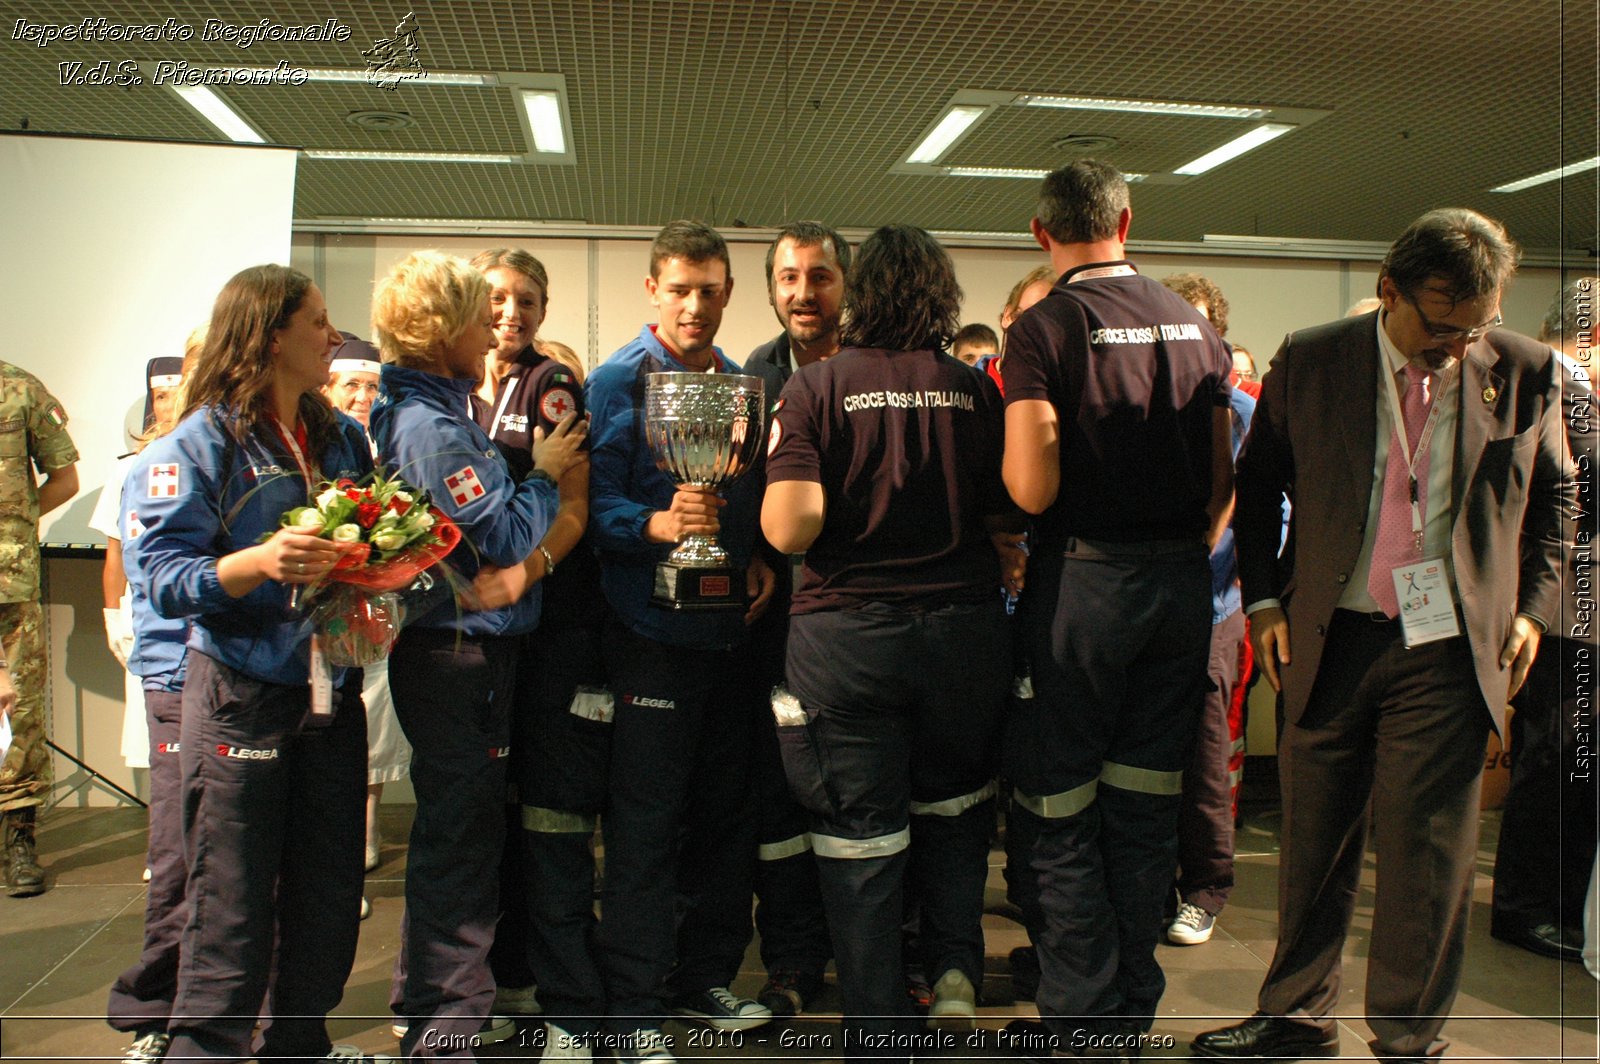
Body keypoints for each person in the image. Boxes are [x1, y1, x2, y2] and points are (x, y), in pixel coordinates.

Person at [1192, 208, 1573, 1062]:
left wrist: (1530, 609)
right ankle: (1295, 1015)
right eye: (1441, 325)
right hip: (1331, 637)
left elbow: (1558, 501)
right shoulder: (1316, 357)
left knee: (1428, 856)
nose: (1456, 345)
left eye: (1476, 326)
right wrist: (1263, 604)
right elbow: (1258, 491)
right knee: (1314, 843)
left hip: (1447, 648)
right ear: (1387, 291)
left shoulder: (1523, 370)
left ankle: (1409, 1037)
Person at [762, 224, 1018, 1052]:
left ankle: (876, 1019)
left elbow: (793, 528)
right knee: (953, 809)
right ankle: (953, 977)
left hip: (851, 645)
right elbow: (1006, 515)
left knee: (858, 832)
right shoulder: (977, 391)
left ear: (862, 294)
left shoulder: (816, 389)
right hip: (963, 638)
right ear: (942, 299)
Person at [1001, 160, 1234, 1060]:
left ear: (1041, 233)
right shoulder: (1196, 326)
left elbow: (1030, 487)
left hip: (1084, 590)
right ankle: (1131, 1005)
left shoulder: (1045, 327)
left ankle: (1078, 1006)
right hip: (1180, 587)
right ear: (1127, 220)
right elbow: (1224, 483)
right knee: (1146, 802)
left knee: (1059, 803)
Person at [124, 264, 383, 1061]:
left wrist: (374, 564)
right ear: (272, 336)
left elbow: (367, 536)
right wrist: (261, 561)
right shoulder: (197, 443)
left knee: (328, 897)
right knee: (230, 904)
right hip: (240, 692)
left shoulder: (342, 436)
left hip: (330, 691)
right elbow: (162, 580)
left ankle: (299, 1046)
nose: (332, 338)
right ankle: (204, 1048)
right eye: (317, 323)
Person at [370, 250, 584, 1060]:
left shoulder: (437, 414)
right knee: (458, 843)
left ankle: (436, 1002)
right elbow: (497, 539)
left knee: (461, 834)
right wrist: (545, 475)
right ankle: (442, 1024)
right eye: (475, 311)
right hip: (460, 655)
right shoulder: (431, 428)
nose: (491, 324)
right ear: (440, 330)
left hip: (465, 655)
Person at [586, 220, 775, 1061]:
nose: (695, 305)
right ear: (653, 291)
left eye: (710, 290)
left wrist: (760, 557)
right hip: (648, 635)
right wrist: (655, 522)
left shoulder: (741, 384)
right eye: (680, 289)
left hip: (730, 632)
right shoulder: (616, 382)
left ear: (729, 293)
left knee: (726, 819)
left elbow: (753, 493)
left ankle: (705, 976)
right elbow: (589, 508)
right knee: (645, 825)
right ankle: (633, 1003)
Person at [464, 246, 609, 1052]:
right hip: (467, 641)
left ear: (544, 310)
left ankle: (568, 1010)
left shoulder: (552, 388)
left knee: (553, 819)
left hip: (549, 631)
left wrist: (528, 572)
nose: (512, 312)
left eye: (527, 300)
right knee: (485, 822)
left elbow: (575, 504)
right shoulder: (446, 390)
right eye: (497, 297)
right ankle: (496, 983)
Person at [741, 220, 850, 1018]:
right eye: (787, 278)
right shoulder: (756, 371)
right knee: (780, 795)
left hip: (858, 619)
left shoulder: (872, 366)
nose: (802, 294)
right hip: (777, 619)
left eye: (818, 276)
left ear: (847, 284)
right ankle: (791, 964)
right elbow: (748, 483)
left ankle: (883, 955)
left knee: (863, 792)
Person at [1489, 277, 1597, 963]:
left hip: (1568, 605)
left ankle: (1551, 899)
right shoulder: (1555, 385)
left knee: (1570, 761)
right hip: (1560, 608)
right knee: (1556, 761)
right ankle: (1527, 907)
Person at [98, 341, 199, 1063]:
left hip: (251, 684)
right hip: (176, 681)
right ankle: (154, 1013)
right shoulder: (152, 469)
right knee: (177, 856)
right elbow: (150, 578)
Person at [1158, 273, 1256, 948]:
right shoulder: (1142, 405)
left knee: (1204, 750)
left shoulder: (1244, 413)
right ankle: (1147, 885)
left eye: (1198, 328)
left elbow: (1269, 513)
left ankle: (1204, 889)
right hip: (1146, 602)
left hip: (1215, 603)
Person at [322, 335, 411, 926]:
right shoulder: (326, 441)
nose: (361, 395)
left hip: (389, 605)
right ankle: (339, 849)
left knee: (377, 717)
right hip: (330, 612)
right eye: (350, 385)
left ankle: (369, 822)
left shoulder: (392, 435)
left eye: (371, 385)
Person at [0, 360, 79, 898]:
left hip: (10, 582)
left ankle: (18, 841)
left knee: (19, 708)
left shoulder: (20, 389)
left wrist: (17, 525)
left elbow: (64, 478)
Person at [976, 265, 1055, 396]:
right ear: (1007, 315)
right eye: (1028, 316)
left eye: (1049, 321)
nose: (1036, 330)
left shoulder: (1063, 394)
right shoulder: (968, 385)